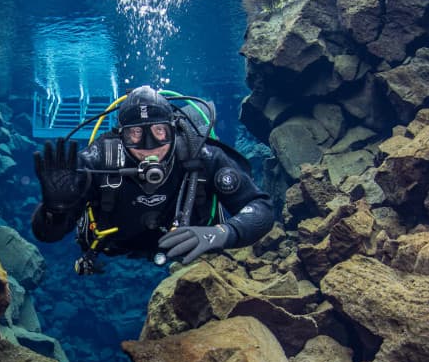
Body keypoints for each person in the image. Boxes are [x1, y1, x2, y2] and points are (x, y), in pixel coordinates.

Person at [31, 85, 274, 273]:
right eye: (135, 134)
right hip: (115, 246)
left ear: (173, 128)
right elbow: (47, 235)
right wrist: (55, 211)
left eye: (159, 131)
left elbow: (260, 208)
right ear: (120, 135)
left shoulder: (199, 156)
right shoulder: (98, 162)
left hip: (195, 247)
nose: (149, 146)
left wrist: (220, 234)